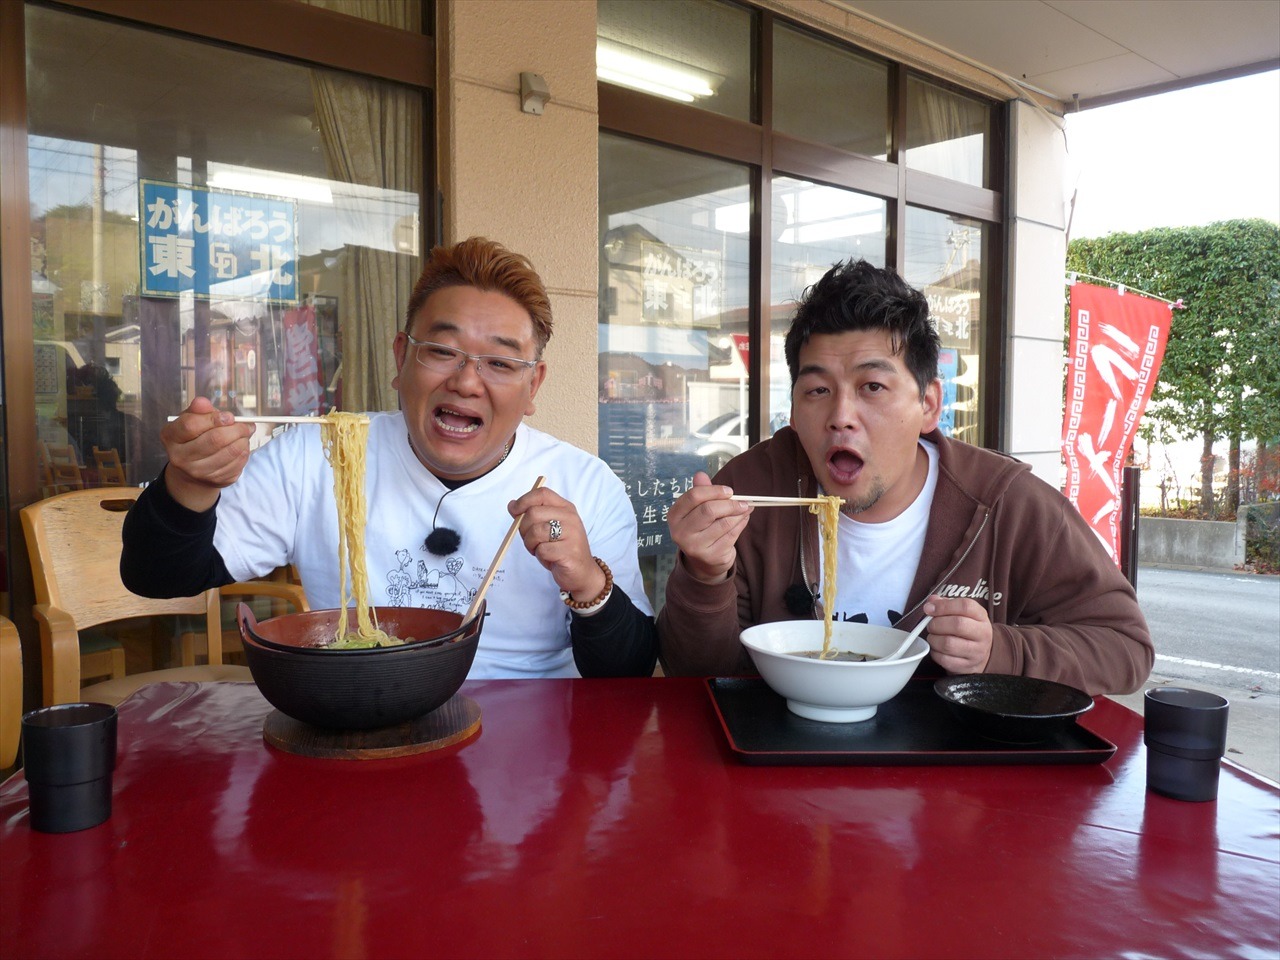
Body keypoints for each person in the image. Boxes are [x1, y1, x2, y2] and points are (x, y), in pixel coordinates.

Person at [122, 237, 656, 678]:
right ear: (401, 358)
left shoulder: (584, 484)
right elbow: (157, 576)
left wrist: (588, 582)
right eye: (443, 351)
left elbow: (629, 673)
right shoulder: (319, 458)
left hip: (533, 741)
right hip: (362, 713)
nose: (466, 381)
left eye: (499, 362)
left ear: (533, 383)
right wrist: (189, 485)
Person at [658, 259, 1152, 696]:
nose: (841, 415)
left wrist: (999, 650)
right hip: (777, 767)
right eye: (816, 390)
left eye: (872, 386)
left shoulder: (1006, 504)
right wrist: (705, 575)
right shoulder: (752, 490)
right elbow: (693, 675)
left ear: (929, 404)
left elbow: (1125, 648)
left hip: (957, 782)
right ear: (793, 409)